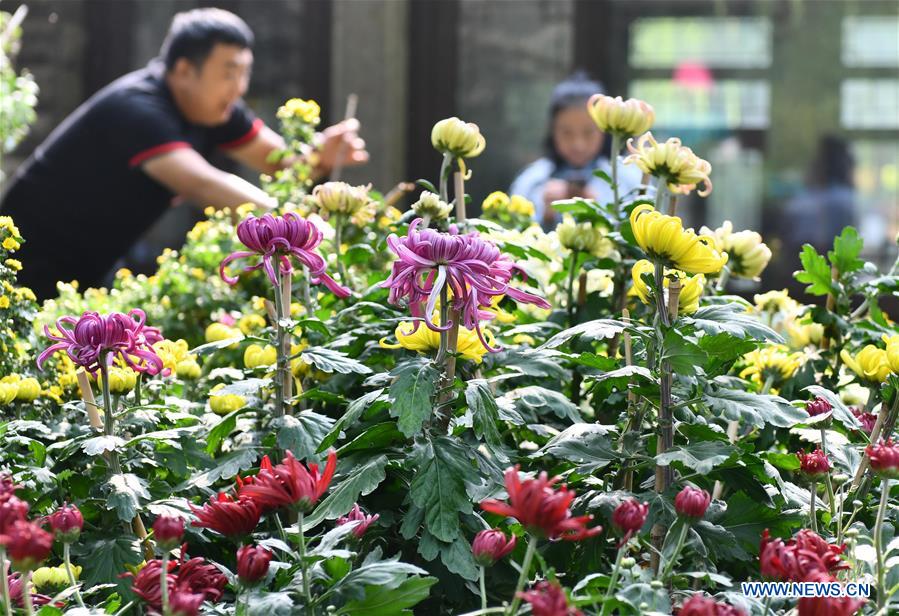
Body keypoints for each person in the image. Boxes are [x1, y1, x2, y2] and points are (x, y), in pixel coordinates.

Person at [0, 8, 367, 300]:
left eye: (244, 73)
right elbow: (202, 183)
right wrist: (296, 228)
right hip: (18, 266)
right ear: (184, 70)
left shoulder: (215, 108)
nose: (238, 87)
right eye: (228, 73)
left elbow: (283, 162)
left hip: (84, 271)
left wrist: (320, 154)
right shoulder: (136, 107)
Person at [510, 73, 643, 231]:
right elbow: (510, 236)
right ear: (552, 131)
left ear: (604, 131)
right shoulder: (531, 181)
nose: (578, 144)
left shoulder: (628, 180)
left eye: (588, 132)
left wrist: (598, 215)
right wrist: (545, 216)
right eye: (566, 132)